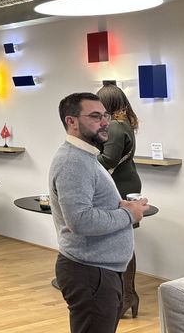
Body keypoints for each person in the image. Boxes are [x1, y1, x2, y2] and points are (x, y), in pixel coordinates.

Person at [50, 92, 150, 333]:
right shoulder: (73, 162)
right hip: (90, 272)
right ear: (71, 121)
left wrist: (120, 206)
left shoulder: (86, 157)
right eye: (95, 116)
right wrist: (129, 215)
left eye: (105, 115)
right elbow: (81, 221)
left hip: (100, 271)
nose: (105, 122)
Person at [96, 84, 142, 319]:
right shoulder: (126, 123)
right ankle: (126, 295)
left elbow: (108, 159)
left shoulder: (114, 126)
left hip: (119, 187)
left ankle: (127, 295)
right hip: (126, 182)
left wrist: (83, 156)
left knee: (122, 241)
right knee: (123, 240)